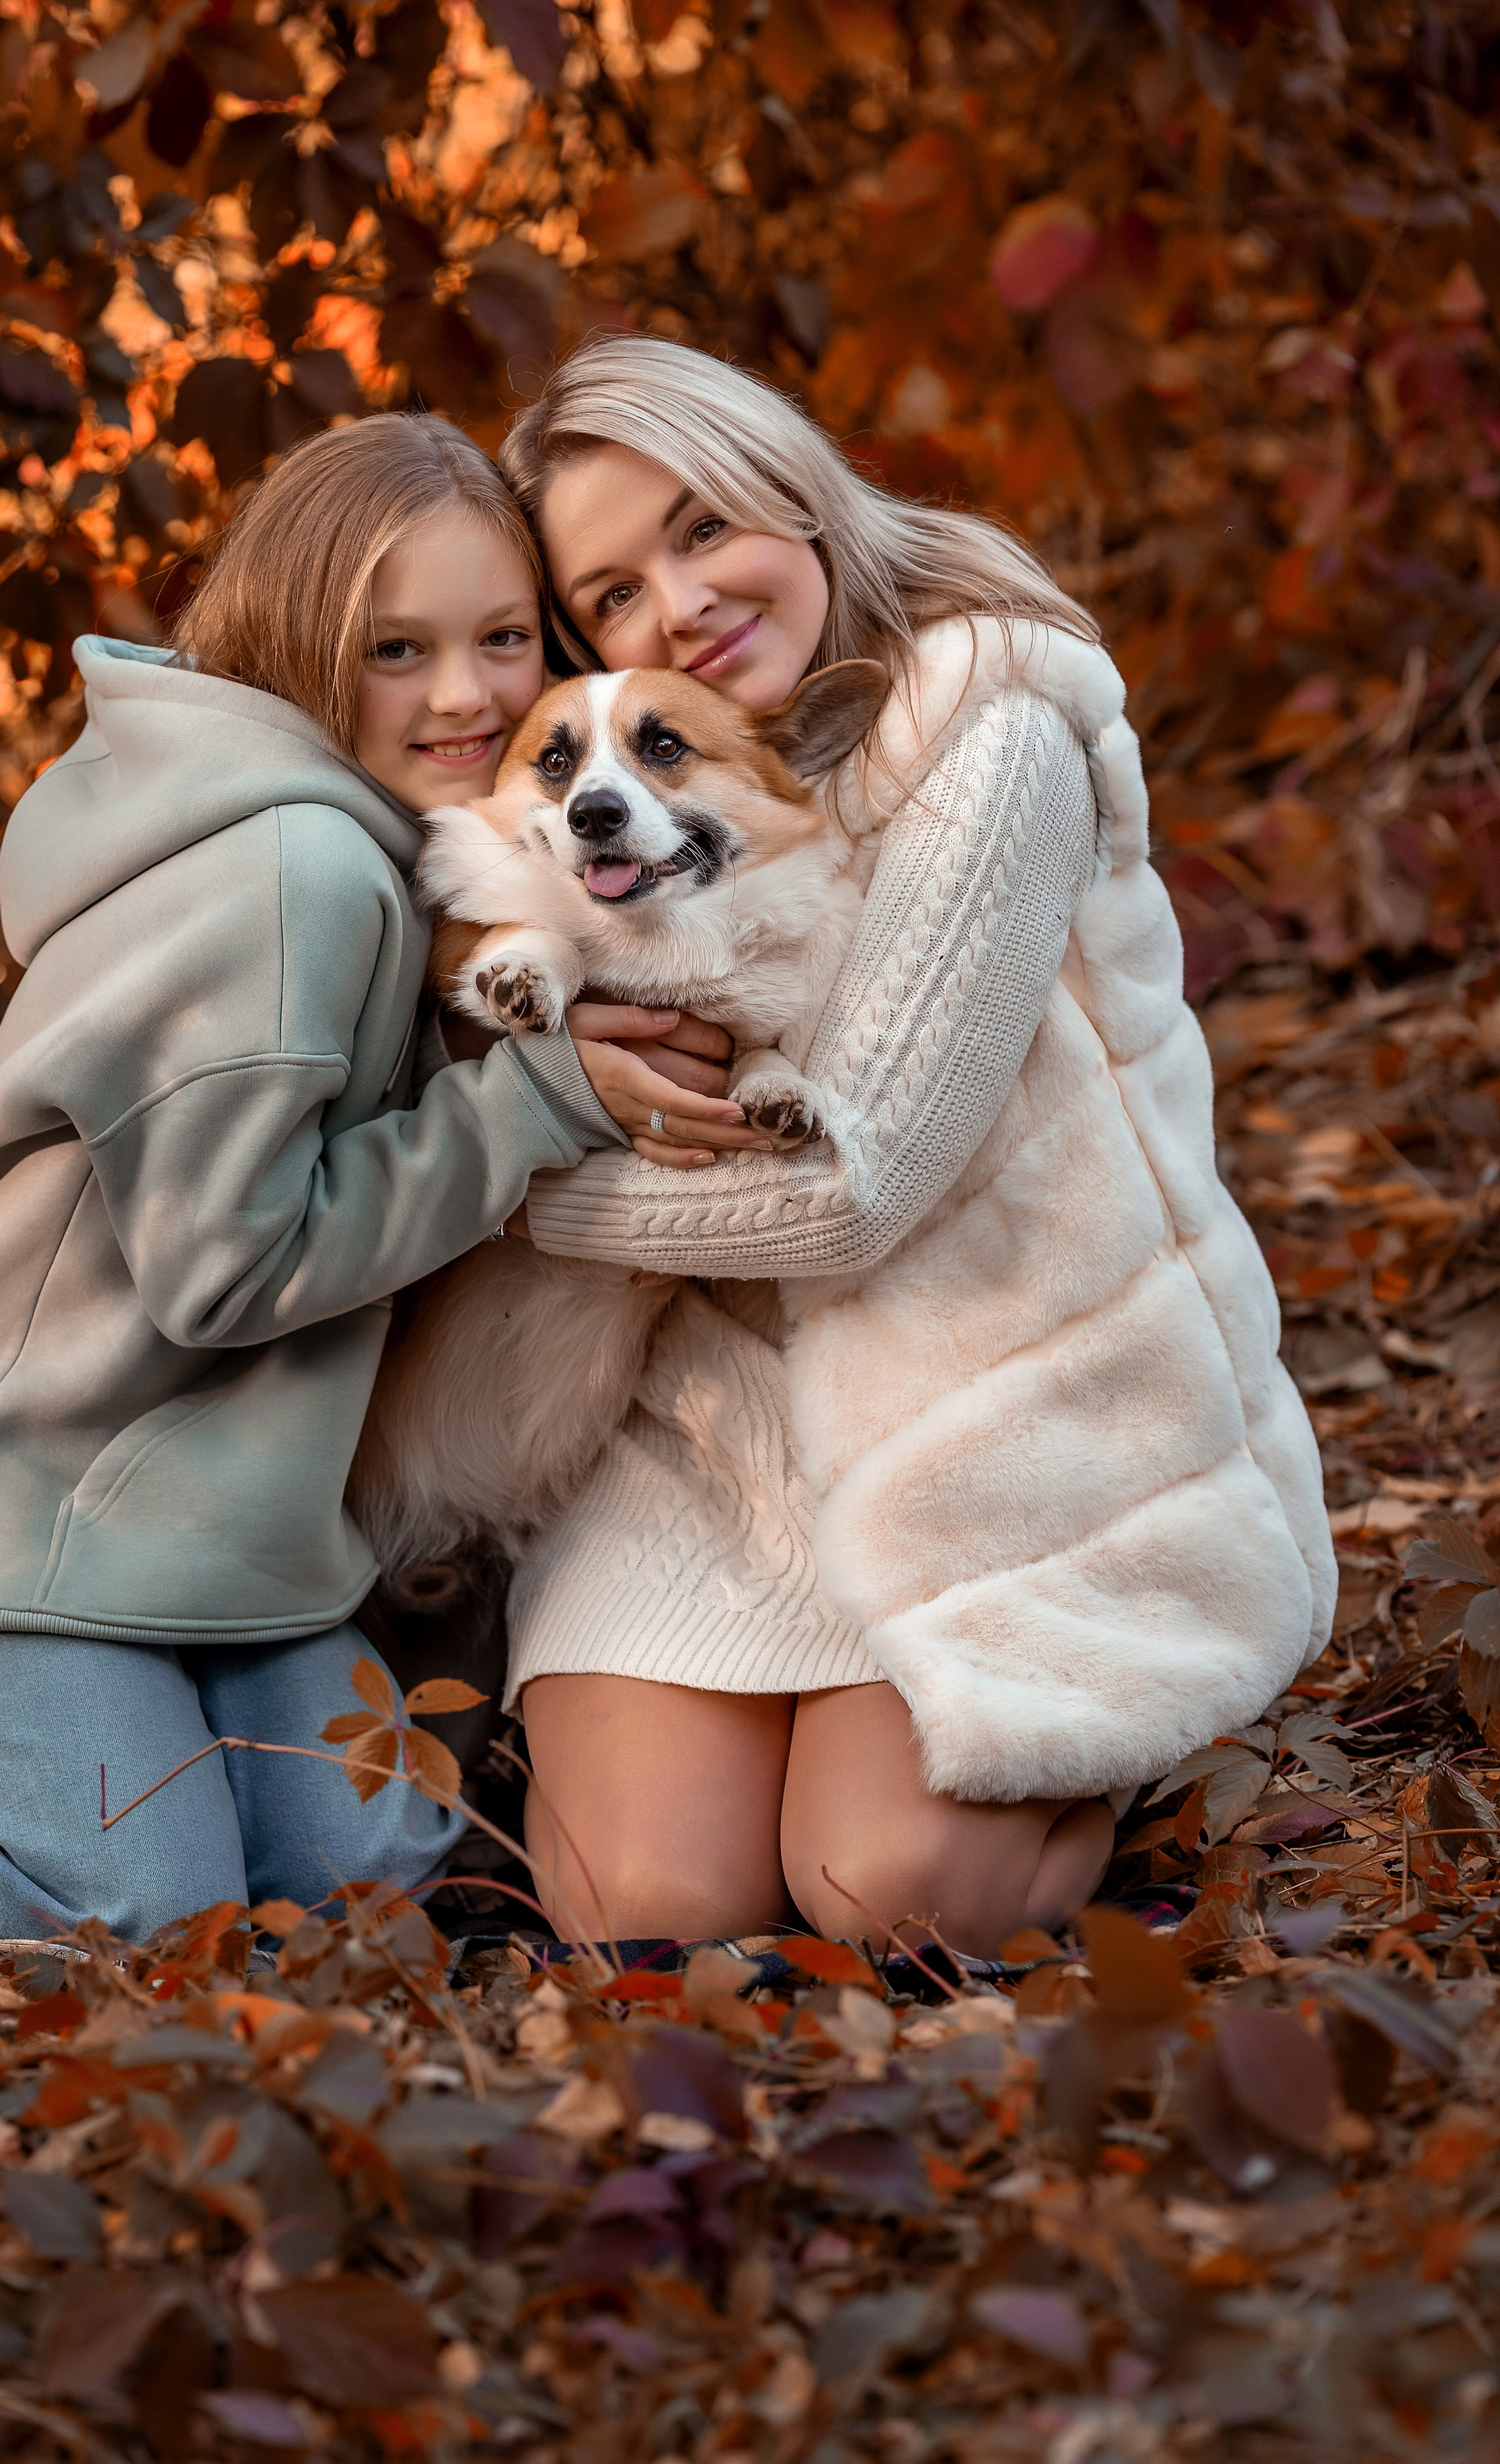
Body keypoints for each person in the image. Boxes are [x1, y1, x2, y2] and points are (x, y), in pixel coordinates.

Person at [0, 414, 751, 1947]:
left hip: (232, 1539)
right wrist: (539, 1105)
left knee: (386, 1899)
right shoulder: (294, 873)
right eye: (394, 649)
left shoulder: (402, 847)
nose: (465, 694)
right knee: (173, 1937)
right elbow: (222, 1268)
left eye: (503, 637)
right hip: (4, 1533)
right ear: (299, 645)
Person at [492, 338, 1335, 1961]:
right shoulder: (600, 813)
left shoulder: (982, 718)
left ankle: (1111, 1733)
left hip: (1007, 1411)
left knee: (893, 1900)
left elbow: (844, 1199)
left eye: (701, 524)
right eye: (607, 593)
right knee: (644, 1909)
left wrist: (502, 1183)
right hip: (713, 1417)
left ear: (794, 494)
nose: (674, 606)